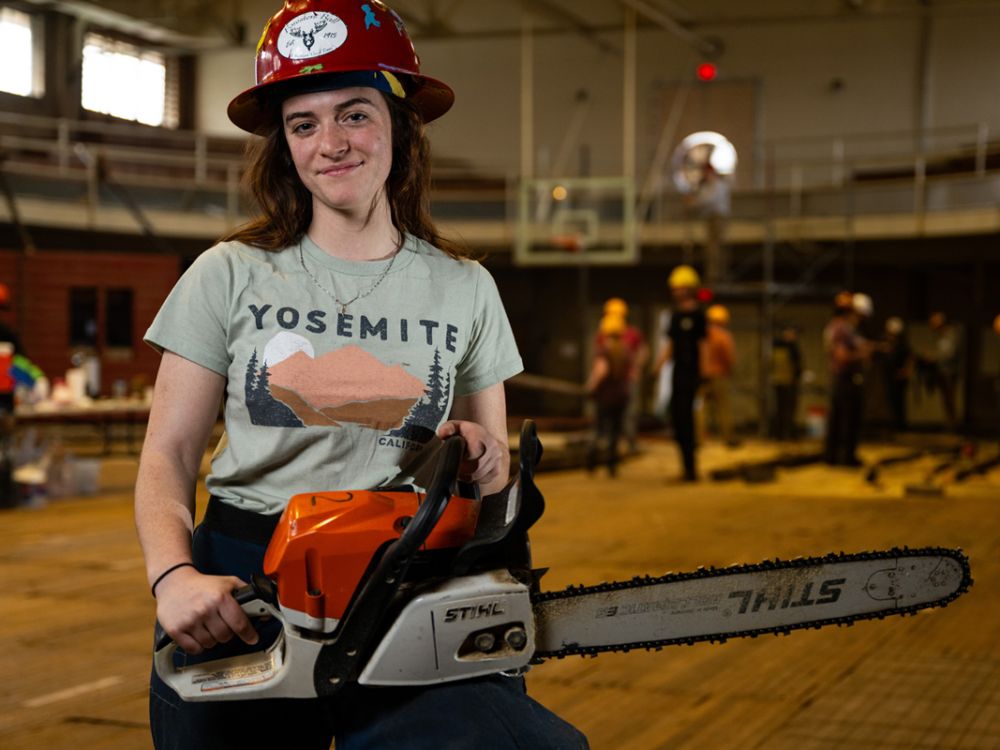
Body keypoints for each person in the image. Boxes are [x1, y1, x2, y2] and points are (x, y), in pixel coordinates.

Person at [134, 3, 588, 748]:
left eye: (355, 114)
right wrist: (172, 576)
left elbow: (494, 473)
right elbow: (168, 455)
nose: (331, 143)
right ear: (283, 145)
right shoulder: (227, 274)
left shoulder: (465, 287)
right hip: (245, 584)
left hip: (409, 578)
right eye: (304, 123)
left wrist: (486, 460)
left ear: (400, 128)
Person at [652, 264, 706, 481]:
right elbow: (671, 344)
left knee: (689, 420)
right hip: (678, 373)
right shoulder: (675, 316)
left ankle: (691, 469)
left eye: (679, 288)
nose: (675, 292)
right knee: (678, 419)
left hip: (692, 373)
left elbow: (704, 345)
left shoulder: (699, 316)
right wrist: (657, 367)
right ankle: (686, 467)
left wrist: (704, 372)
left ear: (690, 289)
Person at [822, 291, 870, 466]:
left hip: (840, 378)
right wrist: (863, 353)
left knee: (838, 418)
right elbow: (842, 357)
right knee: (847, 419)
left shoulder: (836, 327)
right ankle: (845, 458)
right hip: (845, 378)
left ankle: (833, 457)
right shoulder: (841, 329)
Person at [594, 297, 647, 452]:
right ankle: (611, 445)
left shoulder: (631, 334)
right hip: (615, 383)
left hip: (620, 382)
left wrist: (636, 369)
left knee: (625, 414)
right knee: (615, 416)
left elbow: (642, 352)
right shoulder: (603, 334)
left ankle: (627, 442)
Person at [586, 314, 633, 476]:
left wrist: (590, 387)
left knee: (599, 430)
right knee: (615, 431)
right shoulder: (626, 350)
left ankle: (591, 463)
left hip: (605, 397)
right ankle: (612, 466)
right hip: (621, 397)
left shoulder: (604, 349)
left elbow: (601, 371)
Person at [699, 303, 737, 446]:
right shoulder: (724, 336)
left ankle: (698, 439)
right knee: (723, 407)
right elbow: (729, 357)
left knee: (701, 408)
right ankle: (728, 438)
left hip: (702, 375)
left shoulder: (702, 335)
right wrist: (730, 370)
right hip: (720, 374)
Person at [921, 311, 963, 432]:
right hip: (942, 370)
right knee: (946, 399)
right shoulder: (942, 335)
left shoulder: (951, 334)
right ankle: (950, 424)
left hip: (950, 371)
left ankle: (953, 426)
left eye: (934, 323)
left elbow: (950, 353)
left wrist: (935, 357)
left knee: (950, 399)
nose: (932, 326)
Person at [770, 324, 803, 441]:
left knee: (784, 408)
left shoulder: (777, 347)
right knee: (786, 409)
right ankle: (783, 433)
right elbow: (796, 366)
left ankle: (783, 433)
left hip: (781, 381)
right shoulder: (789, 348)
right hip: (786, 382)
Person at [881, 317, 913, 432]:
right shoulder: (885, 343)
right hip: (888, 375)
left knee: (899, 401)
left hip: (900, 376)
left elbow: (909, 357)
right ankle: (893, 425)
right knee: (890, 400)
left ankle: (900, 426)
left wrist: (905, 371)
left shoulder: (902, 345)